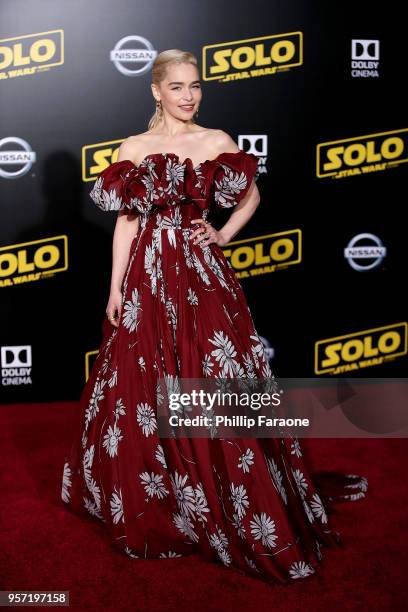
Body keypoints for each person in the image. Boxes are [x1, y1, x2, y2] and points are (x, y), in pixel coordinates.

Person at [61, 49, 368, 585]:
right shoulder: (133, 148)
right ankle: (165, 502)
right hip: (146, 280)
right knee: (143, 386)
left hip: (201, 278)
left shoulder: (217, 140)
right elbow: (127, 223)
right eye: (177, 86)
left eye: (195, 85)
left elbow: (251, 198)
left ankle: (221, 497)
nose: (188, 95)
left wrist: (222, 233)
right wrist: (114, 287)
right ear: (156, 90)